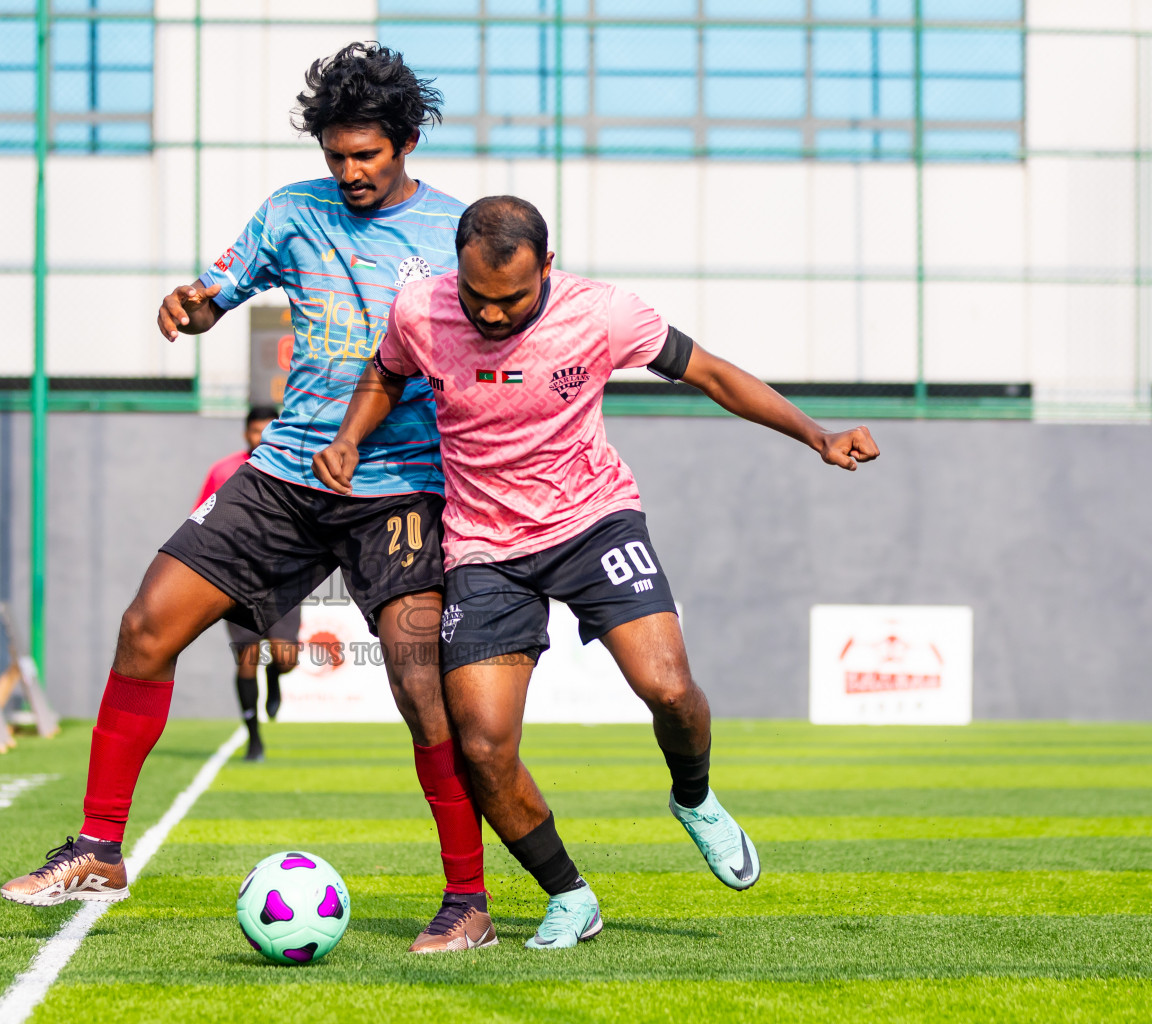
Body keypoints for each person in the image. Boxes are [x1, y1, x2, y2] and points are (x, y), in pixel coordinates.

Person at [1, 43, 498, 955]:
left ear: (408, 141)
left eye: (367, 156)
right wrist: (190, 307)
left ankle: (467, 900)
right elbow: (214, 295)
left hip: (404, 489)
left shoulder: (461, 232)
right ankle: (100, 849)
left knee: (421, 685)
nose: (349, 173)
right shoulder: (290, 213)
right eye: (336, 156)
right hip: (285, 475)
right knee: (147, 626)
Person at [314, 196, 880, 950]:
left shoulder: (604, 313)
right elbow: (385, 373)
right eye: (478, 299)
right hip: (484, 546)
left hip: (592, 521)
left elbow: (708, 372)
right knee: (481, 745)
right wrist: (351, 437)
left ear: (547, 267)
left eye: (511, 300)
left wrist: (816, 434)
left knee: (671, 690)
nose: (489, 317)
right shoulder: (420, 310)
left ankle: (695, 797)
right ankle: (569, 895)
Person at [196, 405, 300, 761]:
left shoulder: (297, 466)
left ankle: (275, 678)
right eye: (256, 430)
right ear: (247, 433)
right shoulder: (225, 470)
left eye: (269, 429)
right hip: (236, 579)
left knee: (287, 657)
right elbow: (202, 518)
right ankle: (254, 739)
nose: (261, 437)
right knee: (246, 659)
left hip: (282, 578)